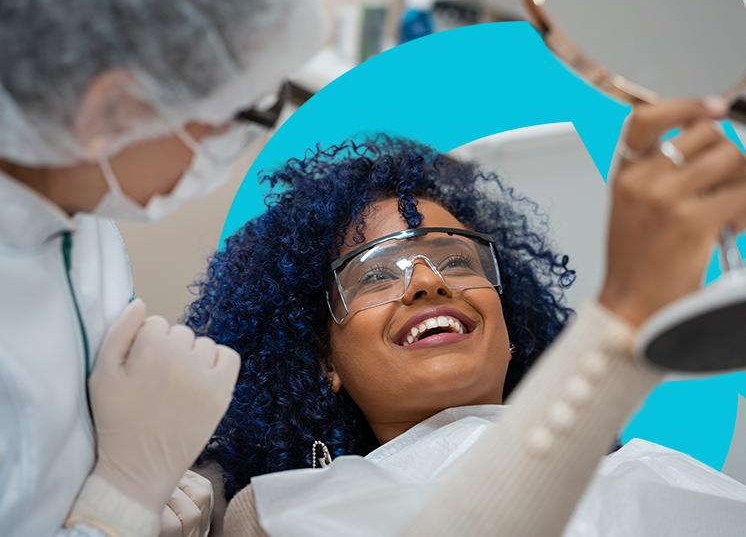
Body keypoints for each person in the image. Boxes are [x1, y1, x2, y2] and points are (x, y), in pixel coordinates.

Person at [186, 98, 746, 535]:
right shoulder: (279, 515)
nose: (428, 282)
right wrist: (623, 318)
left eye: (456, 261)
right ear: (322, 359)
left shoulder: (649, 473)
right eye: (377, 274)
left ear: (511, 331)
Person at [0, 0, 324, 536]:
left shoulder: (73, 203)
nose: (231, 146)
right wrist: (120, 503)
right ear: (112, 108)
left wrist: (140, 486)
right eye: (228, 113)